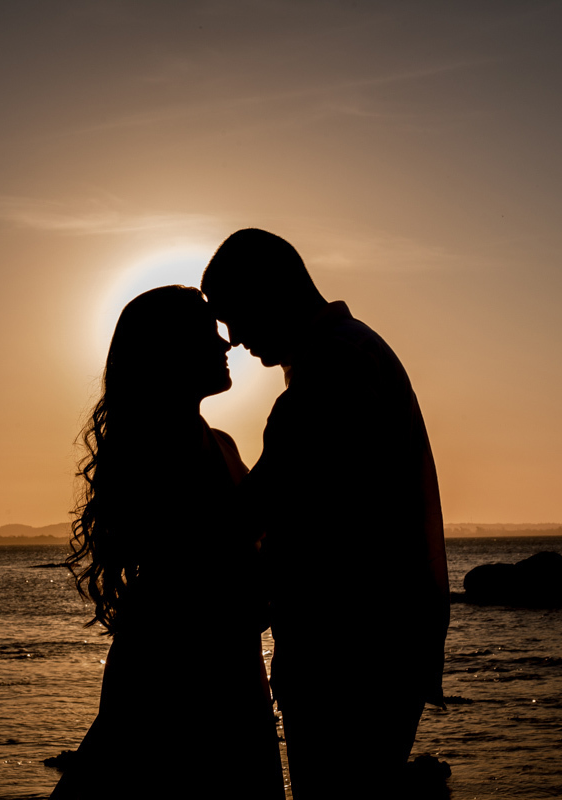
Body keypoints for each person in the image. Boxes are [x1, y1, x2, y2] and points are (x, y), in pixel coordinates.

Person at [201, 229, 449, 799]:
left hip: (350, 660)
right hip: (375, 650)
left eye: (234, 314)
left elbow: (282, 506)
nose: (233, 339)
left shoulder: (335, 368)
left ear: (271, 291)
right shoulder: (347, 353)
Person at [51, 285, 284, 800]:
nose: (226, 345)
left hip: (228, 664)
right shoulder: (152, 452)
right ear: (170, 353)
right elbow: (208, 551)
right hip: (177, 670)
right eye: (208, 335)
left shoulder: (219, 442)